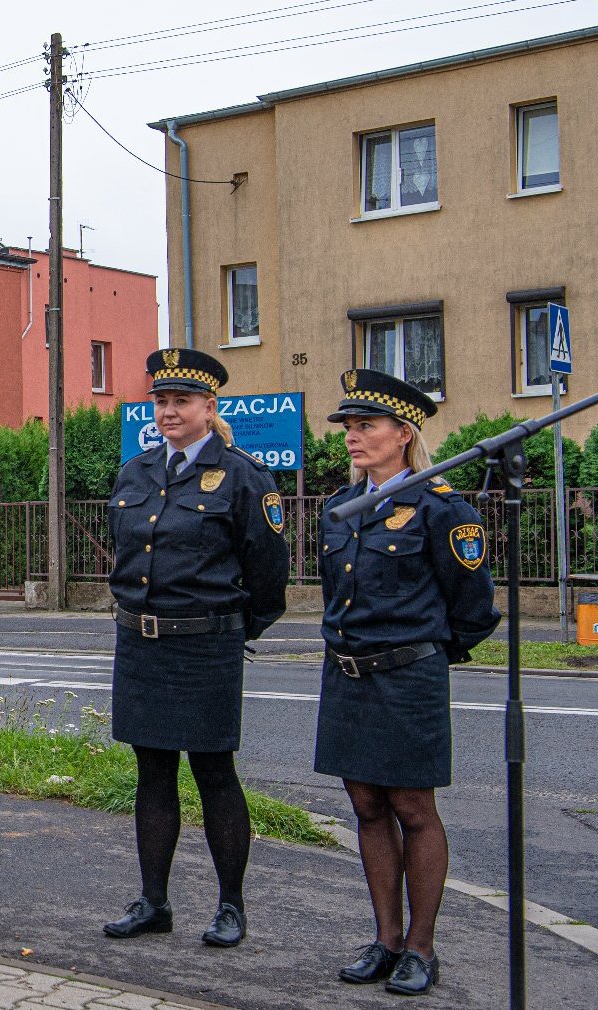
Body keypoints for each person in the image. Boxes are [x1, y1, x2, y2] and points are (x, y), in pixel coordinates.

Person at [315, 369, 499, 996]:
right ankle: (385, 939)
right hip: (348, 675)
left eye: (365, 426)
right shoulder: (342, 510)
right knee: (366, 805)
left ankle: (421, 947)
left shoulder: (442, 507)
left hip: (408, 676)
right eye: (348, 426)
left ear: (404, 433)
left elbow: (473, 605)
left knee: (413, 809)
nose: (351, 437)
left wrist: (428, 656)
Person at [102, 347, 288, 949]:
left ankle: (230, 906)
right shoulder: (137, 472)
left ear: (210, 407)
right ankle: (153, 901)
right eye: (161, 400)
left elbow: (268, 575)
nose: (169, 411)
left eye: (182, 400)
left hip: (207, 646)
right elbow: (125, 555)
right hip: (143, 644)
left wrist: (233, 629)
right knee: (151, 775)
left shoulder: (243, 475)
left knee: (215, 774)